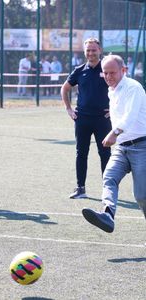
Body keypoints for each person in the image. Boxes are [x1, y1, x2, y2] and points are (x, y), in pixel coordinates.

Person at [82, 54, 146, 233]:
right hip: (122, 147)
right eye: (105, 73)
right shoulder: (112, 89)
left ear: (123, 70)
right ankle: (108, 215)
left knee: (142, 196)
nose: (108, 77)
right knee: (109, 177)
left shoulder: (134, 87)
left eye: (112, 73)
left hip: (142, 146)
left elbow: (130, 117)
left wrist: (114, 132)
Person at [61, 38, 111, 199]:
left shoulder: (108, 69)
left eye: (93, 50)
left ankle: (108, 189)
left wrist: (114, 110)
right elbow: (65, 88)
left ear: (100, 50)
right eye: (88, 50)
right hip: (82, 119)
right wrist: (68, 109)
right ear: (85, 52)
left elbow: (120, 88)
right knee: (81, 153)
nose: (91, 53)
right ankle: (80, 188)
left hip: (102, 120)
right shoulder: (79, 70)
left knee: (105, 153)